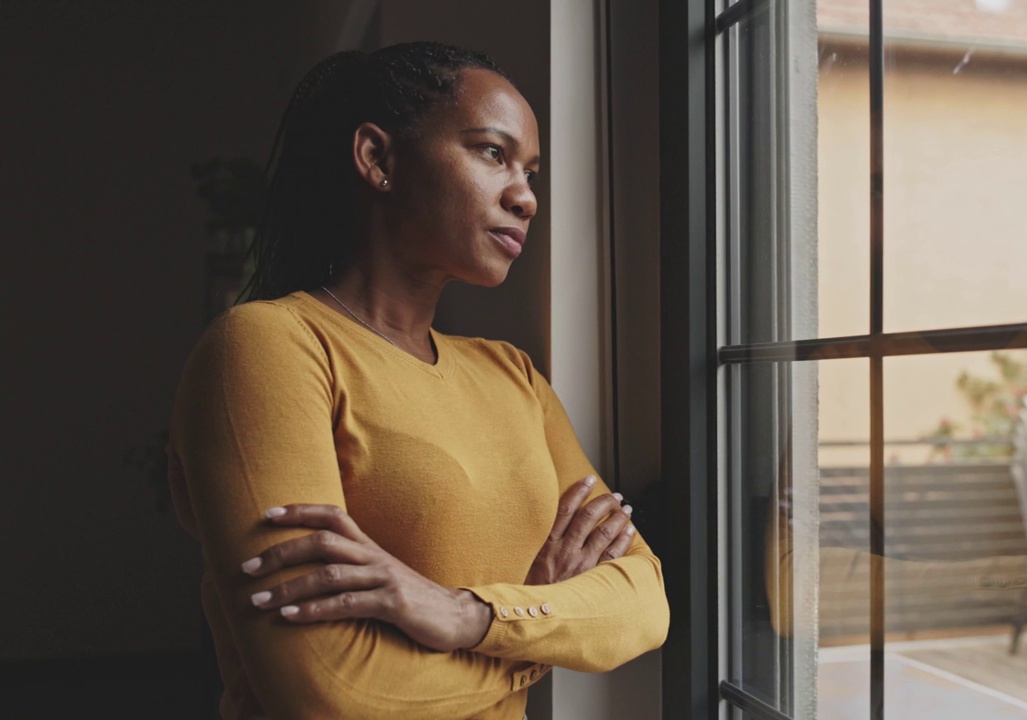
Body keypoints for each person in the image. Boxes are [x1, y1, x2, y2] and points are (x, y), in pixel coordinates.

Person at [167, 41, 668, 720]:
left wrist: (466, 614)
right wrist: (537, 636)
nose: (525, 197)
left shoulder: (513, 374)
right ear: (378, 159)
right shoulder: (269, 348)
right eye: (493, 153)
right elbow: (325, 685)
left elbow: (644, 600)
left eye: (531, 172)